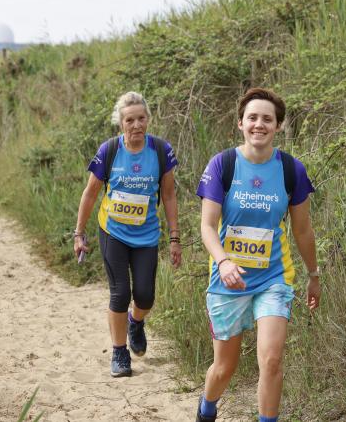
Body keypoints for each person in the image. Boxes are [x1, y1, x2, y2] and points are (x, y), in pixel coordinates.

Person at [195, 88, 321, 422]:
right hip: (227, 282)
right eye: (253, 117)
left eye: (267, 119)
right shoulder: (223, 165)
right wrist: (223, 261)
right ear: (240, 123)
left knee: (272, 359)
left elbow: (303, 230)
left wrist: (314, 275)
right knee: (224, 368)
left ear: (278, 126)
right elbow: (207, 226)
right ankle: (207, 408)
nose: (259, 124)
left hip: (273, 279)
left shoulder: (292, 170)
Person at [73, 91, 182, 377]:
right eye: (130, 120)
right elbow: (90, 193)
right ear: (120, 123)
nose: (136, 125)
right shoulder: (109, 151)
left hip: (146, 234)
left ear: (148, 119)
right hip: (114, 232)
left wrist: (174, 237)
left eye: (141, 118)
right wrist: (79, 233)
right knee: (120, 293)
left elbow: (169, 196)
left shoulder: (160, 150)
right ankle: (120, 353)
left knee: (145, 296)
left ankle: (136, 321)